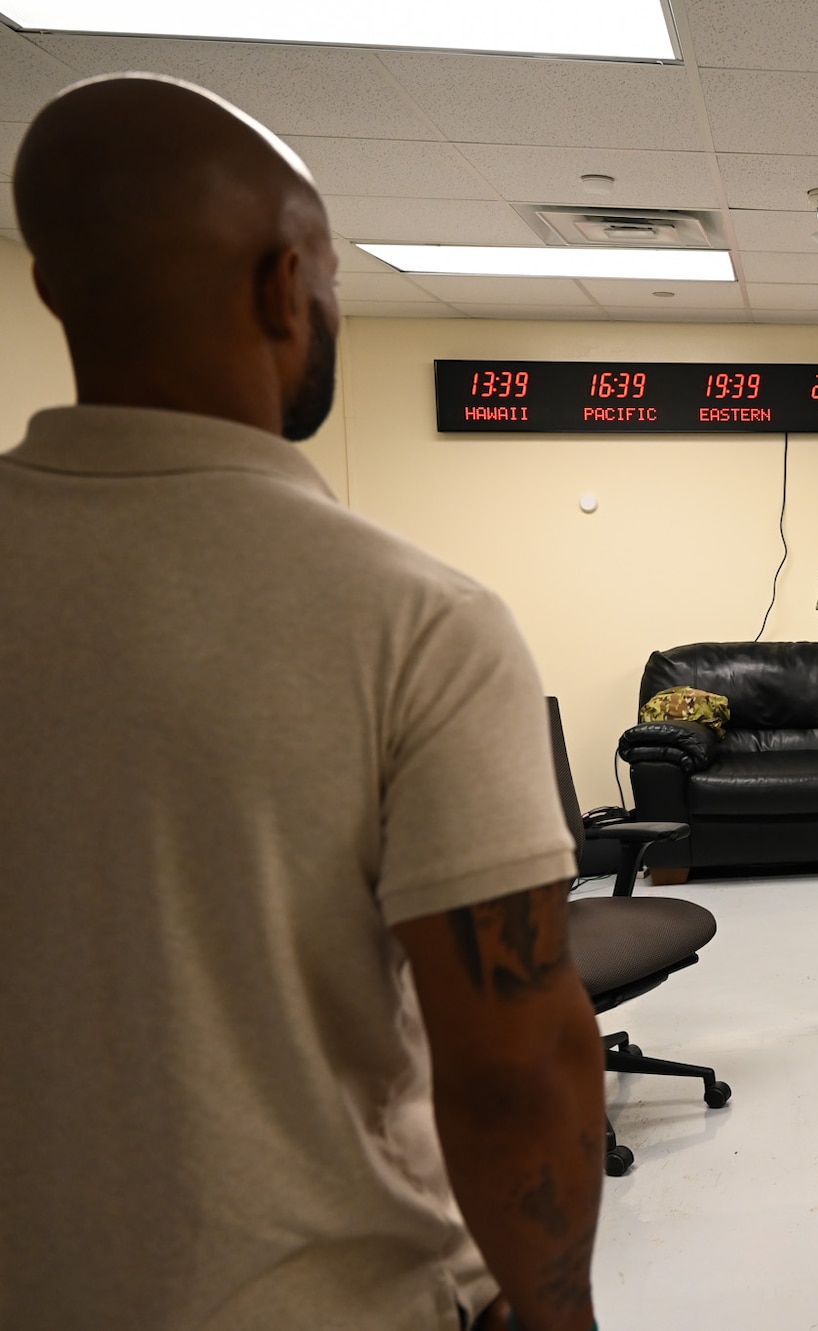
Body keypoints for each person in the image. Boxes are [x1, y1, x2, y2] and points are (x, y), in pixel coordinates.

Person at [0, 76, 605, 1331]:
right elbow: (515, 1069)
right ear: (288, 286)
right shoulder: (410, 618)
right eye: (333, 276)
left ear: (53, 288)